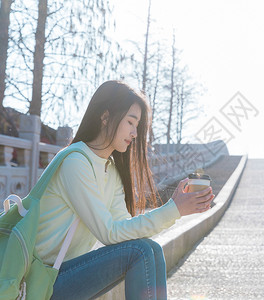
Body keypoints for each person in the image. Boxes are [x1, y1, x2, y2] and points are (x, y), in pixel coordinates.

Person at [35, 80, 215, 300]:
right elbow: (109, 233)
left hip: (64, 275)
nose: (135, 133)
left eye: (137, 126)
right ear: (105, 117)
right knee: (139, 252)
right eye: (130, 122)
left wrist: (175, 208)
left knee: (151, 249)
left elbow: (123, 231)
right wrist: (173, 210)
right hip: (40, 280)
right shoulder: (76, 162)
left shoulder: (110, 171)